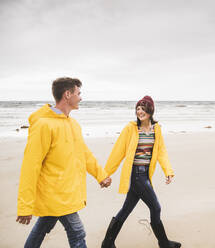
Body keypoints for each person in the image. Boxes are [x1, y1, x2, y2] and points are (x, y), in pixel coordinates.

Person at [16, 77, 112, 248]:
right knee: (77, 232)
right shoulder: (44, 125)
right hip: (55, 194)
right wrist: (25, 206)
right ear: (67, 94)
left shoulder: (73, 124)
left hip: (67, 192)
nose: (81, 97)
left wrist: (100, 175)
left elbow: (84, 153)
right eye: (78, 93)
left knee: (42, 229)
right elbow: (30, 166)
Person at [101, 96, 181, 248]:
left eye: (143, 108)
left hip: (145, 175)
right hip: (137, 175)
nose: (140, 111)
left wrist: (168, 171)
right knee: (156, 207)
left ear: (150, 110)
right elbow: (118, 152)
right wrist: (105, 174)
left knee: (126, 209)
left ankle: (107, 243)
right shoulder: (130, 128)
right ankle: (164, 243)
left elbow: (161, 151)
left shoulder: (156, 129)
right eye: (138, 108)